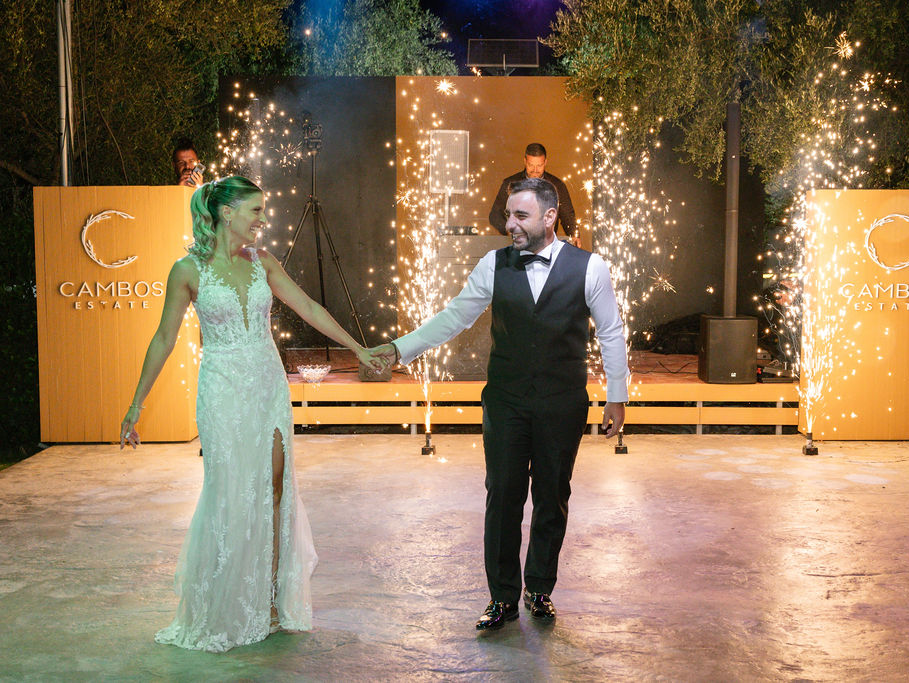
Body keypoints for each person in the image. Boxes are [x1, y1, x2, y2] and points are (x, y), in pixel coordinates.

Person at [119, 175, 381, 652]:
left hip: (267, 384)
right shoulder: (187, 270)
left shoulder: (265, 263)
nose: (263, 218)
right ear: (227, 213)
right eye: (255, 210)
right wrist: (136, 403)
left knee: (274, 487)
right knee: (229, 487)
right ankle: (225, 600)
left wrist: (357, 348)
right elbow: (164, 338)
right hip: (221, 388)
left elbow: (307, 306)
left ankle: (269, 599)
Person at [372, 177, 628, 630]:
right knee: (503, 496)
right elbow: (454, 317)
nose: (509, 224)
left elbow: (610, 332)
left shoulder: (591, 267)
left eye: (520, 215)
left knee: (552, 496)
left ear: (550, 217)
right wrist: (399, 348)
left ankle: (540, 590)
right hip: (506, 401)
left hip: (562, 402)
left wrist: (617, 397)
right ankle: (503, 598)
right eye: (509, 215)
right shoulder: (492, 264)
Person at [488, 143, 579, 245]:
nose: (535, 170)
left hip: (547, 245)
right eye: (531, 165)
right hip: (517, 244)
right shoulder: (510, 183)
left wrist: (574, 234)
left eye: (539, 165)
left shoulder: (557, 185)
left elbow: (568, 215)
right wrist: (510, 230)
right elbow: (495, 215)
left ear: (545, 162)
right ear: (525, 161)